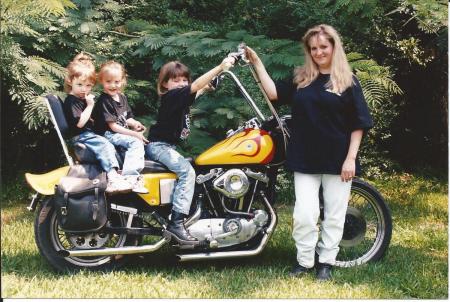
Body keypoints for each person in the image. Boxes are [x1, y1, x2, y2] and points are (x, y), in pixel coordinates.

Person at [245, 24, 373, 281]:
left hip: (338, 159)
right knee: (304, 214)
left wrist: (350, 158)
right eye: (313, 48)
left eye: (323, 47)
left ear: (334, 47)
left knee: (335, 215)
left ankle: (326, 262)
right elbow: (273, 93)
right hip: (304, 157)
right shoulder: (302, 78)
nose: (318, 52)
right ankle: (304, 261)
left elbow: (359, 123)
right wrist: (257, 62)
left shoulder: (347, 81)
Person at [145, 57, 235, 243]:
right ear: (164, 84)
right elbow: (195, 86)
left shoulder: (178, 98)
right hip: (159, 146)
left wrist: (207, 88)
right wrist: (219, 67)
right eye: (175, 80)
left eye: (184, 80)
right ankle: (176, 223)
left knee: (199, 169)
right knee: (187, 172)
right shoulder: (170, 97)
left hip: (166, 147)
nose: (181, 84)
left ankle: (199, 214)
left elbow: (197, 90)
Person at [63, 53, 131, 194]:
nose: (84, 89)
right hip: (80, 136)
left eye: (88, 86)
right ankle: (113, 178)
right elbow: (80, 124)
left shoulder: (81, 98)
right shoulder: (71, 101)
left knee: (112, 142)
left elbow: (89, 120)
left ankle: (123, 174)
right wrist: (89, 105)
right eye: (80, 85)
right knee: (104, 144)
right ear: (70, 81)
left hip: (87, 134)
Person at [95, 61, 148, 194]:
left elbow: (127, 118)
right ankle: (130, 178)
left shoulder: (122, 97)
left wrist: (135, 124)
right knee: (135, 141)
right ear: (102, 81)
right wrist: (133, 134)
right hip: (107, 134)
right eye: (108, 81)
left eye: (117, 82)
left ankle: (132, 175)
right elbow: (113, 126)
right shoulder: (104, 100)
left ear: (123, 81)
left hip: (119, 133)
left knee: (142, 144)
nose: (113, 85)